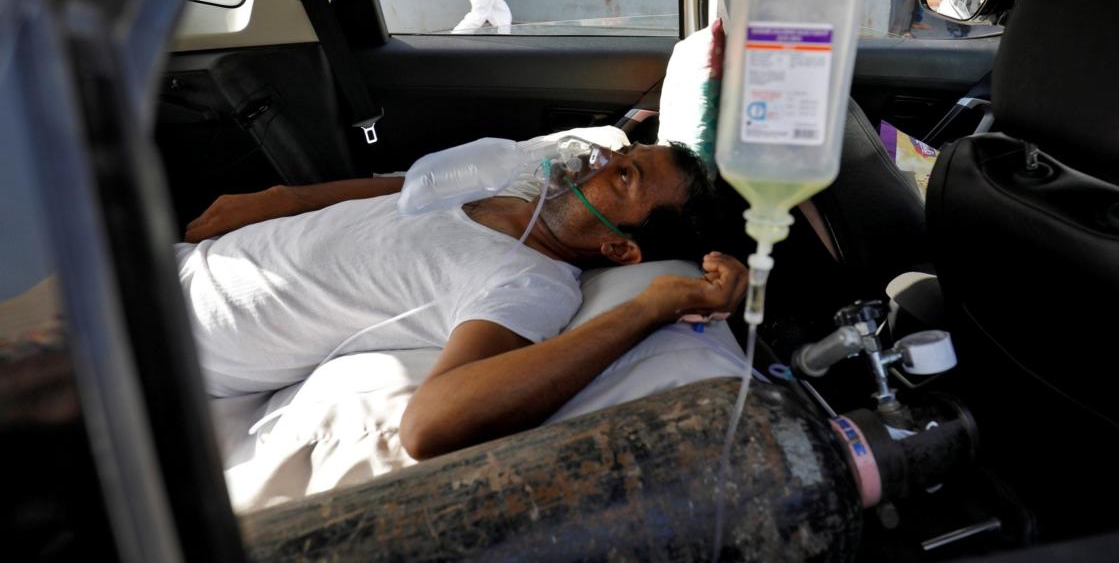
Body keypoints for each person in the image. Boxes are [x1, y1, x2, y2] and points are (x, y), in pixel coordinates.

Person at [178, 141, 746, 460]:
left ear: (619, 248)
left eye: (623, 177)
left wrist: (649, 307)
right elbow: (402, 190)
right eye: (619, 152)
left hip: (160, 342)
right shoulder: (506, 190)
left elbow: (430, 424)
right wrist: (285, 198)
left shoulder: (528, 283)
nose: (596, 161)